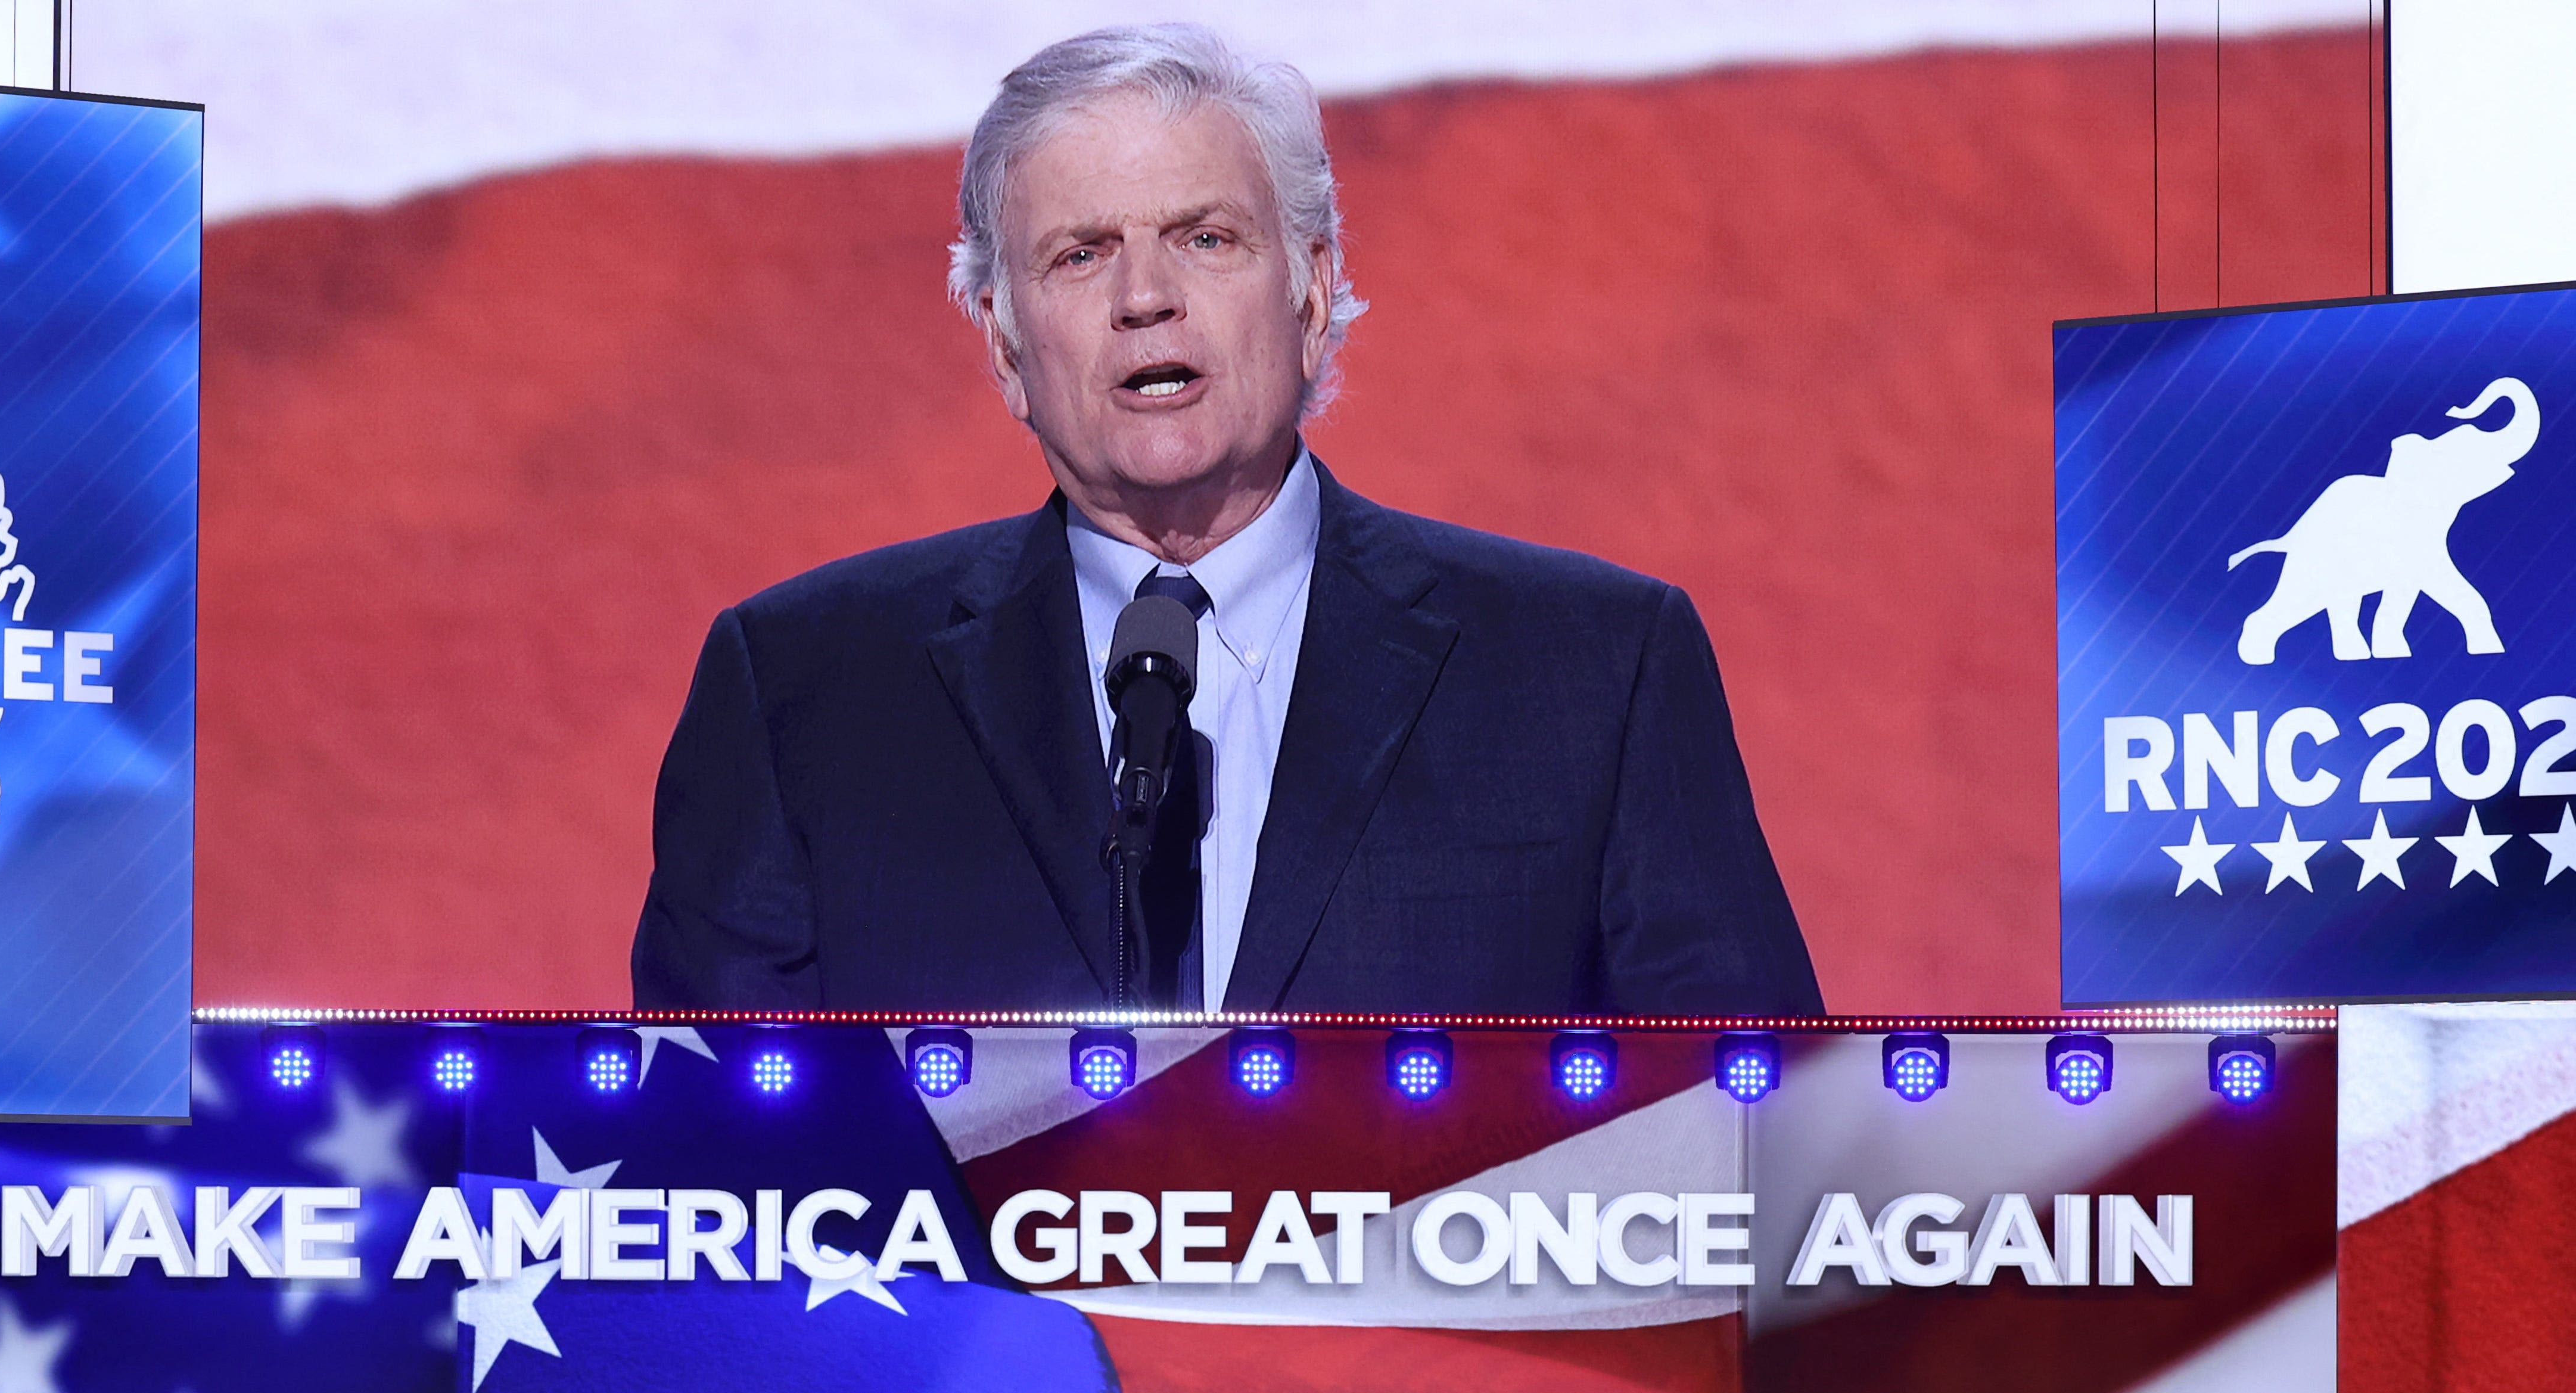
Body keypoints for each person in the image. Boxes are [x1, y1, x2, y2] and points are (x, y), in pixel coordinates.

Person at [631, 23, 1821, 1018]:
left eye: (1205, 239)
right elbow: (705, 1184)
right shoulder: (802, 690)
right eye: (1081, 254)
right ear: (1002, 340)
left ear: (1310, 292)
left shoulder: (1593, 669)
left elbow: (1767, 1144)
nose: (1146, 299)